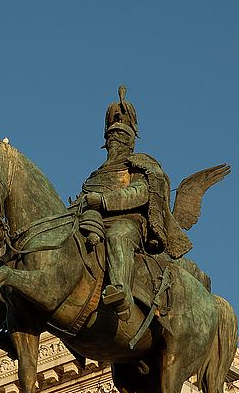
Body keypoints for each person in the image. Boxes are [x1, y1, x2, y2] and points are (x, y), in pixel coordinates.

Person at [73, 86, 191, 320]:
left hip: (128, 223)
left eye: (120, 137)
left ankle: (120, 291)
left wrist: (104, 200)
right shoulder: (95, 175)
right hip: (93, 221)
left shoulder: (139, 164)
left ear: (130, 142)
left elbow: (140, 192)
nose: (114, 141)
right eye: (111, 137)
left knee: (118, 236)